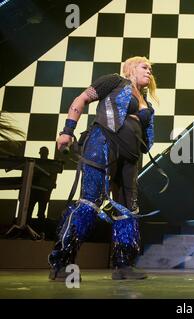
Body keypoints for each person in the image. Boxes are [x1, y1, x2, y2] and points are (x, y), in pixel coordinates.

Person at [48, 56, 157, 281]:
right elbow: (81, 99)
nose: (149, 71)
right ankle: (62, 263)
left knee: (128, 209)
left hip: (130, 157)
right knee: (90, 201)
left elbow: (145, 135)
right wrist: (67, 131)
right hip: (102, 144)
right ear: (130, 68)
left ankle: (123, 265)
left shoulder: (146, 101)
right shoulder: (115, 81)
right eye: (144, 67)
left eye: (151, 69)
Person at [26, 147, 56, 223]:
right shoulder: (50, 164)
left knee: (33, 211)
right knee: (37, 212)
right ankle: (39, 228)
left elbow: (52, 181)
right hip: (39, 190)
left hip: (37, 190)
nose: (43, 155)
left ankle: (31, 226)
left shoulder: (35, 163)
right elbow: (53, 181)